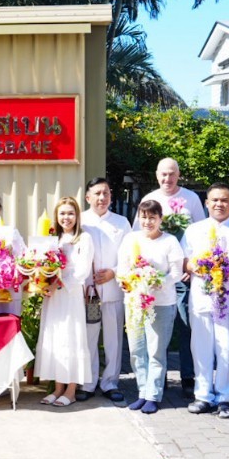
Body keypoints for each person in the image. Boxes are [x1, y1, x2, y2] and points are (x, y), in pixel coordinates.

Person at [183, 184, 229, 419]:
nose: (219, 204)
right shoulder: (194, 229)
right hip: (201, 298)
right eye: (214, 200)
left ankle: (225, 397)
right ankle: (202, 396)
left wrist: (226, 268)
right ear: (206, 203)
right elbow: (185, 262)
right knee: (200, 349)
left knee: (225, 350)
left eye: (224, 200)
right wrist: (199, 266)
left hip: (228, 300)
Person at [142, 157, 205, 396]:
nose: (167, 179)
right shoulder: (150, 198)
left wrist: (189, 265)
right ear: (157, 175)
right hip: (156, 276)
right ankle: (160, 375)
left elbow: (201, 233)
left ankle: (188, 376)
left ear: (178, 175)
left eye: (171, 174)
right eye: (163, 174)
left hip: (184, 276)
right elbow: (142, 237)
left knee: (185, 326)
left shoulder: (191, 199)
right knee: (158, 327)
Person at [116, 199, 184, 414]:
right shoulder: (130, 239)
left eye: (152, 217)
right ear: (139, 218)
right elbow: (122, 268)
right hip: (135, 303)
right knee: (137, 350)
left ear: (160, 219)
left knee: (155, 350)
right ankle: (142, 392)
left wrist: (155, 281)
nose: (148, 221)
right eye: (144, 217)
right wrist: (127, 280)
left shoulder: (170, 241)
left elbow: (176, 273)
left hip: (161, 303)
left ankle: (153, 395)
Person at [36, 197, 94, 407]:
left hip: (70, 295)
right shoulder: (52, 238)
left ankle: (70, 390)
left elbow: (81, 272)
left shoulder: (84, 239)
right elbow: (43, 264)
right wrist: (41, 281)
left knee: (71, 338)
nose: (66, 218)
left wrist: (57, 285)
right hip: (53, 297)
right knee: (55, 338)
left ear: (77, 215)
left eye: (70, 213)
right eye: (62, 213)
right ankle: (58, 387)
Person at [80, 176, 130, 403]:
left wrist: (114, 272)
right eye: (97, 193)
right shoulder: (80, 221)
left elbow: (131, 257)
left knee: (114, 338)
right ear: (88, 197)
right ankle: (88, 383)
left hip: (113, 290)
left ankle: (110, 382)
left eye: (106, 193)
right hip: (89, 294)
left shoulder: (121, 223)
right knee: (89, 337)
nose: (102, 198)